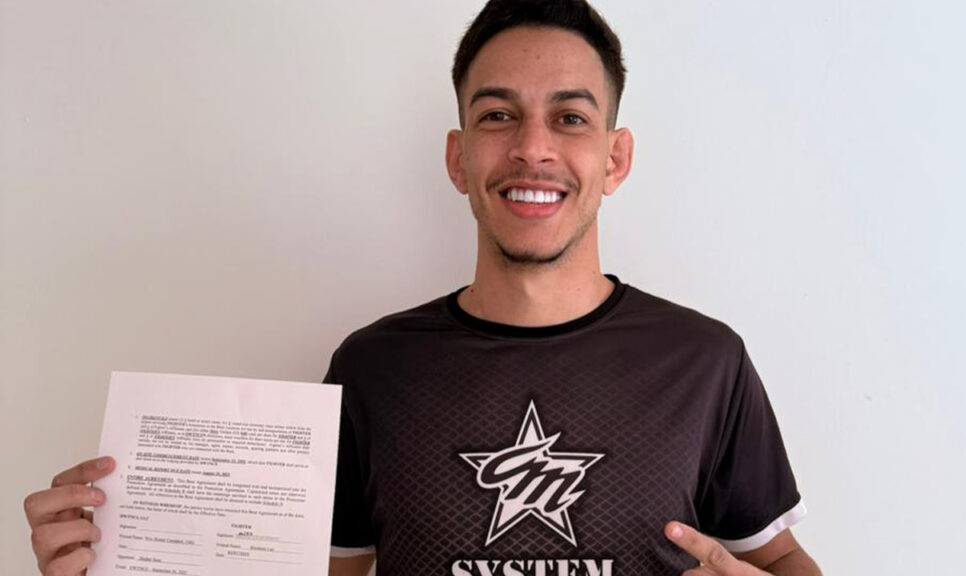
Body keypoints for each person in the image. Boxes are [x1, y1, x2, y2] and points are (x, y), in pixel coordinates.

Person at [23, 1, 822, 574]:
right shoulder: (372, 368)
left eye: (570, 118)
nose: (533, 148)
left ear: (614, 159)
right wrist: (122, 557)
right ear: (458, 158)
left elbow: (782, 557)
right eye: (498, 116)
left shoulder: (705, 362)